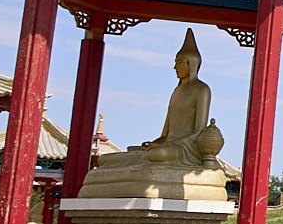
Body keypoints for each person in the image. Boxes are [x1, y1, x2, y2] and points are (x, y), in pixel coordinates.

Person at [75, 29, 227, 200]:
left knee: (157, 155)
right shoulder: (176, 91)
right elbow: (165, 134)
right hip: (167, 145)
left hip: (185, 149)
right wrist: (155, 143)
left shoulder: (202, 90)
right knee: (109, 159)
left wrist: (164, 146)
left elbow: (198, 132)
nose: (175, 67)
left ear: (190, 64)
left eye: (179, 62)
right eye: (175, 62)